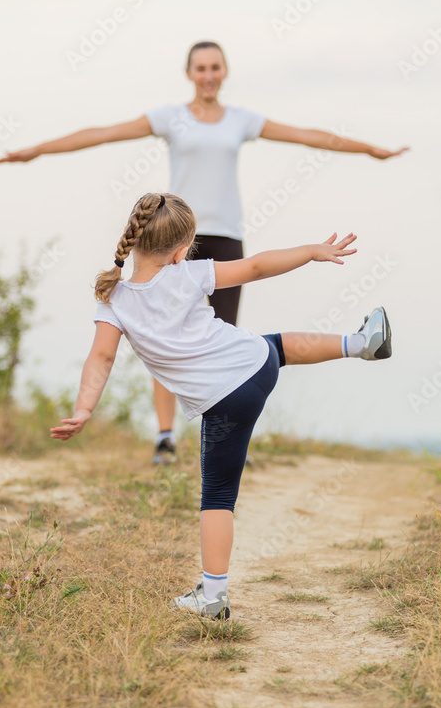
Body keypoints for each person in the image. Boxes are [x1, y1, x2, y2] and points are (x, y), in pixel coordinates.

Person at [0, 41, 407, 465]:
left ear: (224, 71)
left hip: (224, 235)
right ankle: (165, 438)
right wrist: (37, 150)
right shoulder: (170, 117)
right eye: (201, 68)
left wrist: (369, 149)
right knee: (161, 339)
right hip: (172, 238)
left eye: (215, 67)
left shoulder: (241, 120)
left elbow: (307, 136)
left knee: (224, 336)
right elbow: (103, 134)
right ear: (189, 73)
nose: (208, 75)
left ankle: (228, 432)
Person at [49, 192, 392, 621]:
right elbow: (256, 267)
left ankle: (213, 598)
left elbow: (101, 358)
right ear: (181, 249)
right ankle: (361, 344)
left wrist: (84, 409)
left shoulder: (114, 299)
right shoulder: (189, 274)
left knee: (217, 496)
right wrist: (310, 251)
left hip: (225, 398)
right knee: (279, 345)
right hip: (255, 362)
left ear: (133, 238)